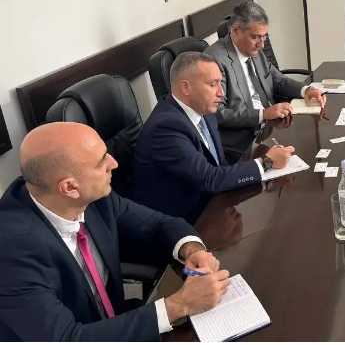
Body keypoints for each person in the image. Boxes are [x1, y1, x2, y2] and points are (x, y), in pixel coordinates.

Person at [0, 122, 232, 341]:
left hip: (119, 322)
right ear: (70, 187)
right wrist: (179, 305)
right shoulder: (12, 251)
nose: (113, 163)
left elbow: (157, 224)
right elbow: (65, 338)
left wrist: (191, 250)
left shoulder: (92, 197)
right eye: (101, 162)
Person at [131, 51, 295, 223]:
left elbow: (219, 164)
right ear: (186, 87)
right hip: (180, 220)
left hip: (212, 200)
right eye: (213, 84)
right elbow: (209, 178)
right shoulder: (165, 127)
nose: (221, 93)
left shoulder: (204, 110)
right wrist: (266, 162)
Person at [206, 1, 326, 162]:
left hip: (270, 127)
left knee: (312, 150)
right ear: (235, 30)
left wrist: (307, 91)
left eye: (264, 37)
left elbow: (277, 80)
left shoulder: (254, 50)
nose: (262, 45)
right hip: (242, 141)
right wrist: (263, 114)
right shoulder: (214, 60)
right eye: (255, 37)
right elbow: (217, 114)